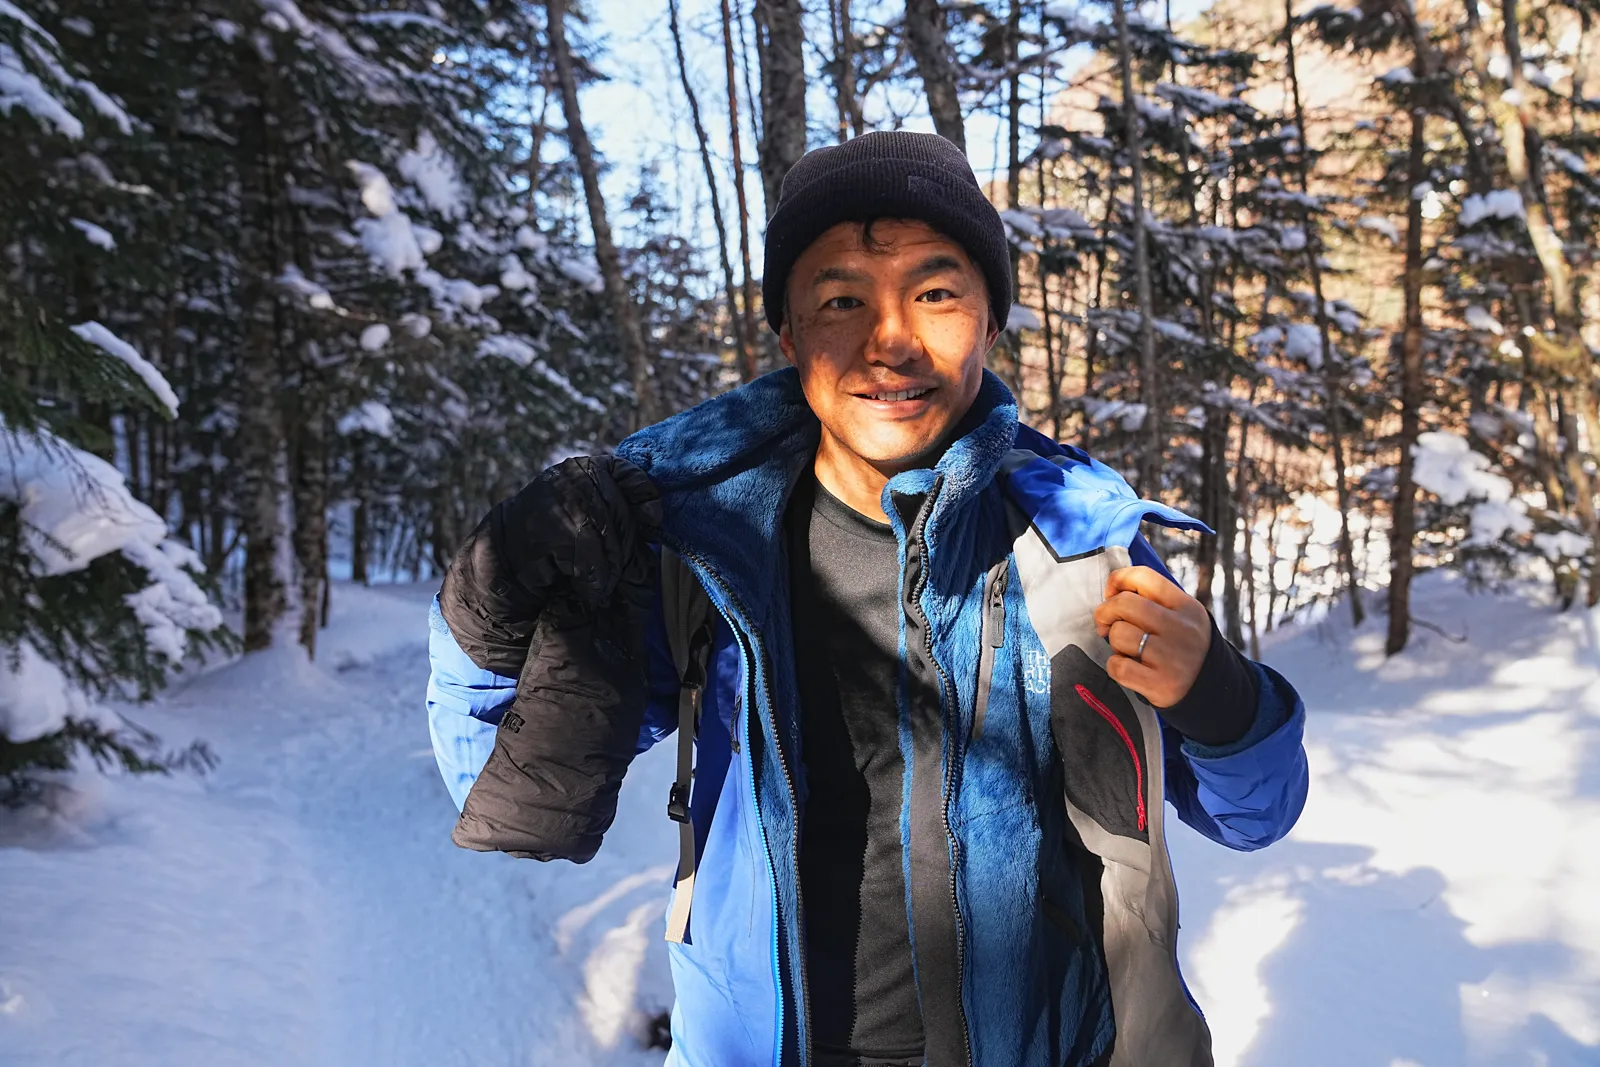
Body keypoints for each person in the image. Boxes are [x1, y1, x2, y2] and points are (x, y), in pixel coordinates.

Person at [426, 131, 1308, 1067]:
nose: (890, 340)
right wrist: (489, 602)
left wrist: (1218, 693)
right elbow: (495, 769)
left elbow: (1256, 814)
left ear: (991, 323)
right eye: (841, 299)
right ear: (789, 335)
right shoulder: (705, 555)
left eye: (936, 293)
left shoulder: (1074, 543)